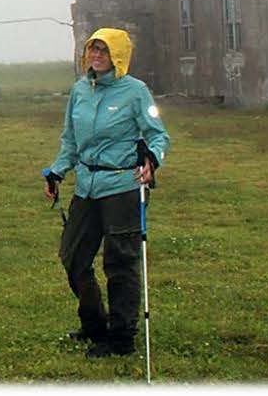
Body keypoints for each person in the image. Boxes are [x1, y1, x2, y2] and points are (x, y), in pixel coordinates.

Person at [42, 27, 170, 359]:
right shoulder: (80, 91)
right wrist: (57, 170)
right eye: (92, 49)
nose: (96, 55)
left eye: (104, 50)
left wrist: (153, 159)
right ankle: (94, 323)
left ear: (118, 56)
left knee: (120, 262)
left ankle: (121, 337)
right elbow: (70, 139)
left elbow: (158, 135)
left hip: (122, 187)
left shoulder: (136, 92)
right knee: (73, 257)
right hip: (86, 186)